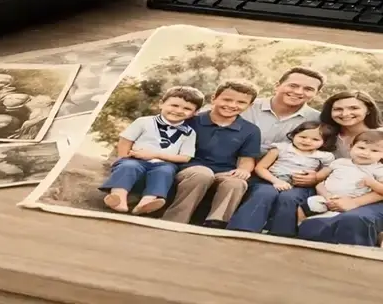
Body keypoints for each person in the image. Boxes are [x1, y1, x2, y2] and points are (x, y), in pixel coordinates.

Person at [296, 91, 383, 247]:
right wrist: (313, 178)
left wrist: (355, 202)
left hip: (377, 197)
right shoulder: (326, 135)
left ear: (368, 110)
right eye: (338, 109)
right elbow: (318, 167)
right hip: (331, 193)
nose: (345, 114)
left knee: (352, 220)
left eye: (353, 108)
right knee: (304, 213)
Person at [227, 66, 326, 235]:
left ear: (316, 94)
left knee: (281, 195)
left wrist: (315, 177)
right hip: (237, 166)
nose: (299, 92)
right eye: (293, 85)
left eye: (308, 89)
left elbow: (327, 157)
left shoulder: (318, 120)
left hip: (284, 176)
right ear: (277, 85)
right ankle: (239, 233)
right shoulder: (247, 106)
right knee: (260, 192)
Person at [160, 80, 262, 228]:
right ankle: (175, 220)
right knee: (203, 173)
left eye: (241, 102)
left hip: (224, 172)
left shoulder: (250, 130)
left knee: (236, 183)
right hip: (190, 169)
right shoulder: (192, 121)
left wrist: (243, 170)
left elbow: (247, 159)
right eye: (227, 99)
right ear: (214, 98)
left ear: (250, 106)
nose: (232, 105)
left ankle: (216, 223)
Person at [98, 85, 204, 216]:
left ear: (195, 113)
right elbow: (126, 140)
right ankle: (118, 199)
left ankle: (147, 203)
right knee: (128, 166)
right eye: (174, 105)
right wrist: (122, 158)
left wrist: (155, 155)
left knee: (165, 171)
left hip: (164, 163)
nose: (178, 111)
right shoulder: (144, 122)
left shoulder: (189, 133)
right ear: (161, 104)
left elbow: (185, 157)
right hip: (135, 159)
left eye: (187, 108)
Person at [231, 121, 336, 236]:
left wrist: (314, 176)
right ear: (294, 135)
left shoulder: (324, 157)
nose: (307, 141)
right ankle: (243, 228)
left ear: (324, 142)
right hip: (270, 181)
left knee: (289, 197)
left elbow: (324, 174)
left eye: (315, 140)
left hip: (300, 186)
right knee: (264, 193)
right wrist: (276, 181)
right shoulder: (280, 149)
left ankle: (282, 233)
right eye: (302, 136)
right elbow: (260, 168)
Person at [299, 129, 383, 223]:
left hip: (349, 203)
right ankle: (300, 227)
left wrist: (373, 184)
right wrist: (312, 177)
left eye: (374, 151)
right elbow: (319, 177)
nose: (365, 153)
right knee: (303, 207)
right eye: (361, 148)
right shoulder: (339, 162)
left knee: (336, 220)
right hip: (326, 197)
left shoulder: (379, 169)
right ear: (351, 147)